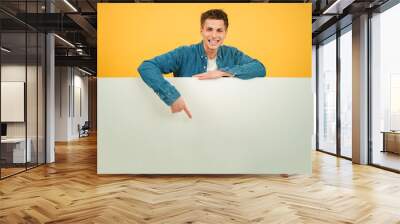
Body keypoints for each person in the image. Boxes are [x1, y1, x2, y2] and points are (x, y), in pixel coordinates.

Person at [138, 9, 266, 119]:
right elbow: (147, 67)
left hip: (224, 118)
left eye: (219, 30)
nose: (214, 35)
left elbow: (259, 68)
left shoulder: (232, 53)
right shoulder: (184, 53)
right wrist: (172, 97)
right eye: (209, 29)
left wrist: (222, 72)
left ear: (225, 33)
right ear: (201, 31)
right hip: (189, 118)